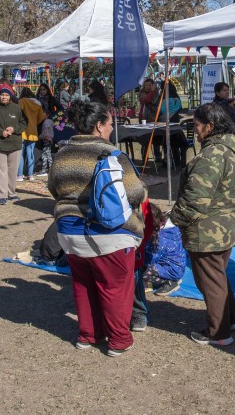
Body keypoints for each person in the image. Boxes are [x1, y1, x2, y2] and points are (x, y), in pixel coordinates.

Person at [47, 100, 147, 356]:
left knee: (83, 284)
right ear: (100, 126)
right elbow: (135, 193)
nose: (112, 130)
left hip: (69, 232)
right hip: (108, 234)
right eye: (110, 124)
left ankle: (87, 335)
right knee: (114, 287)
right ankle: (118, 340)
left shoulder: (61, 154)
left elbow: (54, 189)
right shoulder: (113, 155)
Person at [170, 102, 235, 347]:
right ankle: (230, 319)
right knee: (218, 277)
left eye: (198, 125)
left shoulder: (211, 156)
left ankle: (218, 332)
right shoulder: (229, 149)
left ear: (210, 126)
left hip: (207, 230)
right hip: (225, 225)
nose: (196, 130)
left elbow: (195, 199)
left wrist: (172, 221)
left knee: (209, 282)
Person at [0, 87, 27, 205]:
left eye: (7, 95)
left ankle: (12, 193)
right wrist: (0, 132)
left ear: (10, 96)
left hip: (14, 144)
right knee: (0, 171)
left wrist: (14, 129)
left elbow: (23, 123)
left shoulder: (17, 108)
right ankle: (2, 195)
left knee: (12, 171)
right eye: (2, 95)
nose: (4, 97)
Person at [17, 88, 45, 181]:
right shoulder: (38, 104)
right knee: (31, 153)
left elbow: (18, 114)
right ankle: (30, 174)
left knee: (20, 153)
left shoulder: (21, 101)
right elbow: (41, 117)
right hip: (33, 131)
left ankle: (20, 175)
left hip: (22, 130)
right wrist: (34, 123)